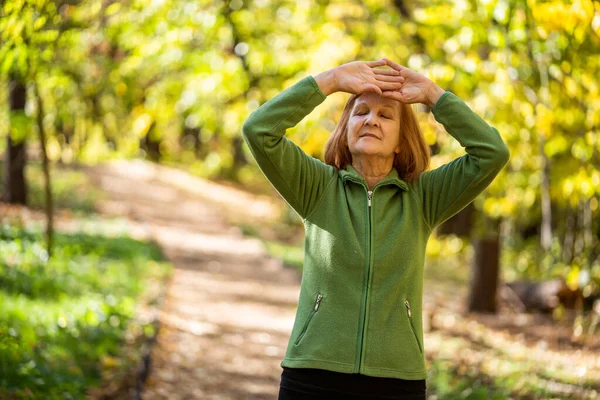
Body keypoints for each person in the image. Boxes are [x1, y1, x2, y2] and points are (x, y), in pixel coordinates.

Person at [241, 58, 510, 399]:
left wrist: (432, 95)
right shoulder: (317, 187)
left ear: (401, 140)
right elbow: (259, 130)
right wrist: (331, 80)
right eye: (361, 112)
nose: (371, 119)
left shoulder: (422, 199)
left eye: (385, 115)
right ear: (346, 130)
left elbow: (492, 152)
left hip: (396, 380)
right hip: (313, 373)